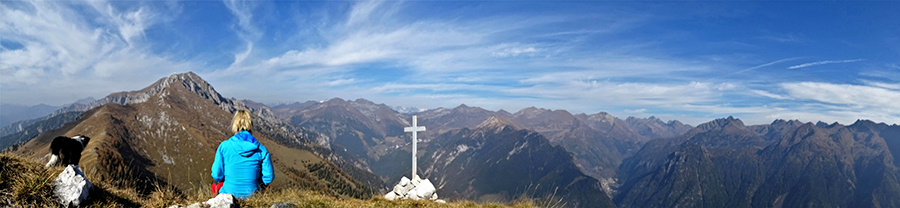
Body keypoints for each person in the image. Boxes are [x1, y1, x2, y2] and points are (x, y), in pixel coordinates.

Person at [211, 110, 274, 198]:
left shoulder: (224, 146)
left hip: (228, 195)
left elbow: (216, 174)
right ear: (250, 124)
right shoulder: (261, 149)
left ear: (234, 124)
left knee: (217, 186)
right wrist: (259, 183)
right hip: (253, 195)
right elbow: (269, 177)